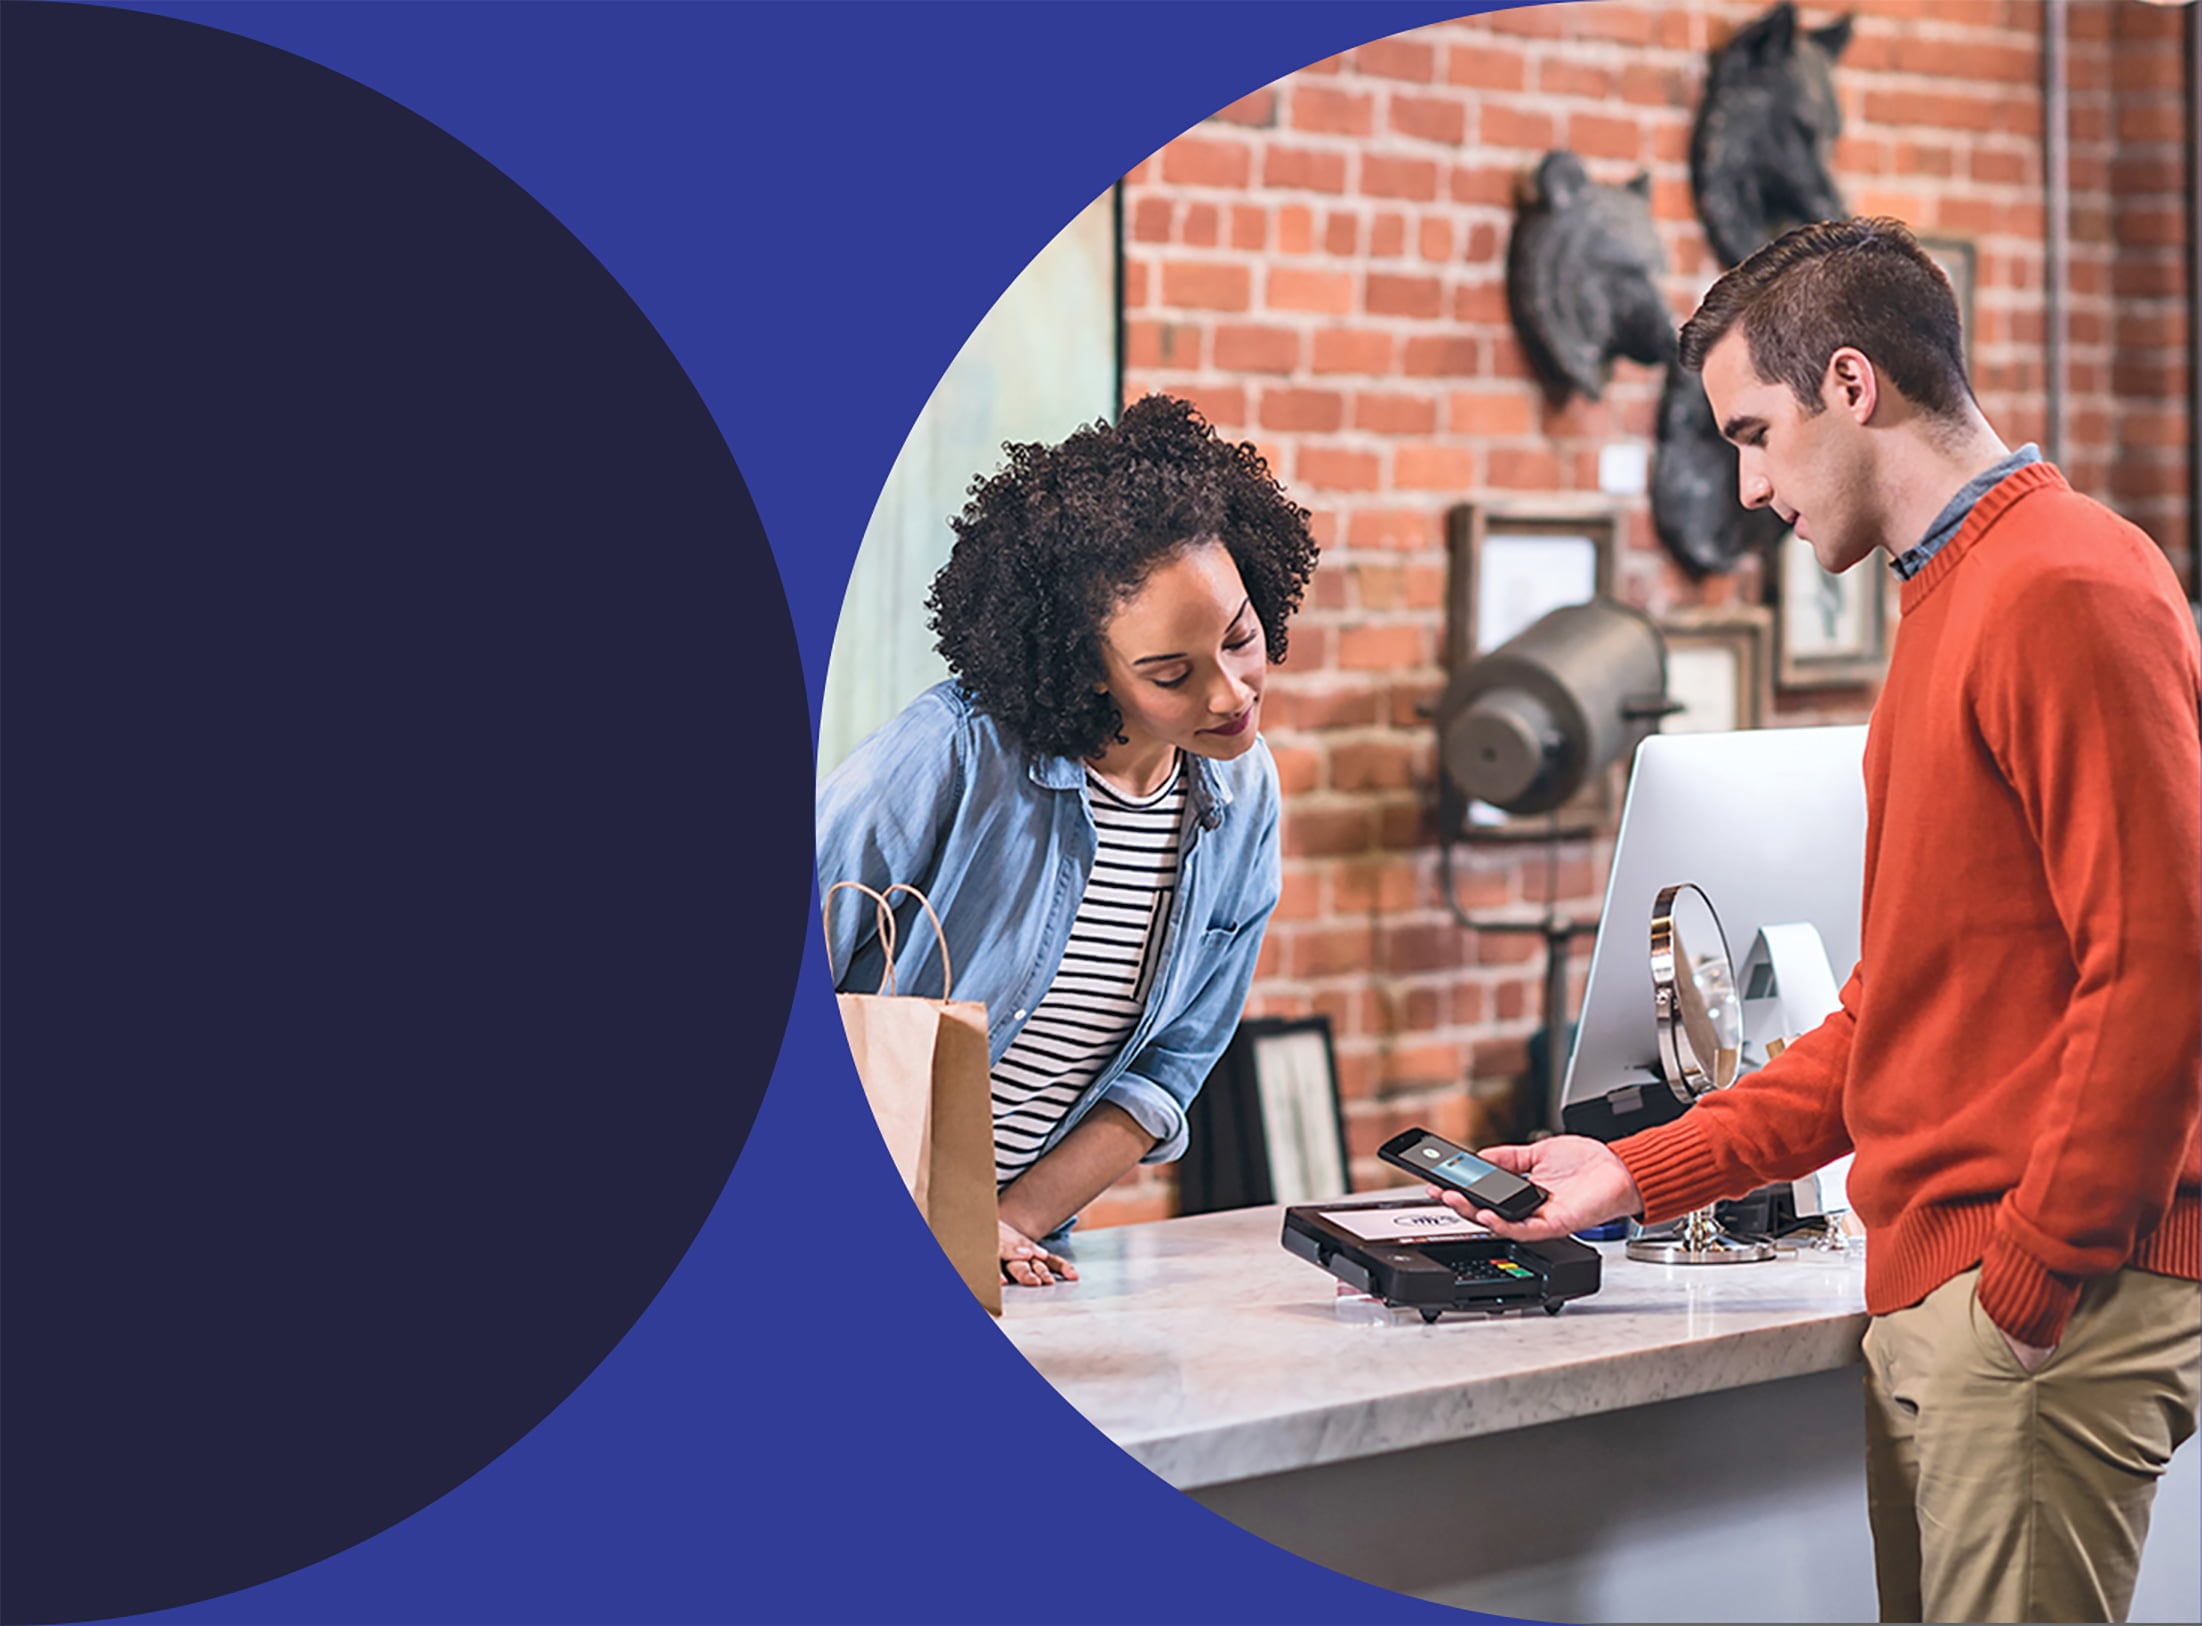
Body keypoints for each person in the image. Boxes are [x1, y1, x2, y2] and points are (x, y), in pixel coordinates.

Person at [1435, 218, 2200, 1625]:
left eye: (1753, 433)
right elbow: (1896, 1017)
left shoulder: (2066, 586)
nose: (1745, 485)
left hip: (2026, 1306)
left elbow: (2161, 969)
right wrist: (1632, 1173)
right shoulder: (1955, 601)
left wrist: (2028, 1280)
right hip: (1951, 1301)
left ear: (1849, 384)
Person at [817, 394, 1316, 1289]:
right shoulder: (955, 753)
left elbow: (1169, 1070)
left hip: (1000, 1250)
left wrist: (1001, 1222)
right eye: (1171, 673)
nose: (1231, 694)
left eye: (1240, 638)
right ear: (1087, 669)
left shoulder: (1242, 792)